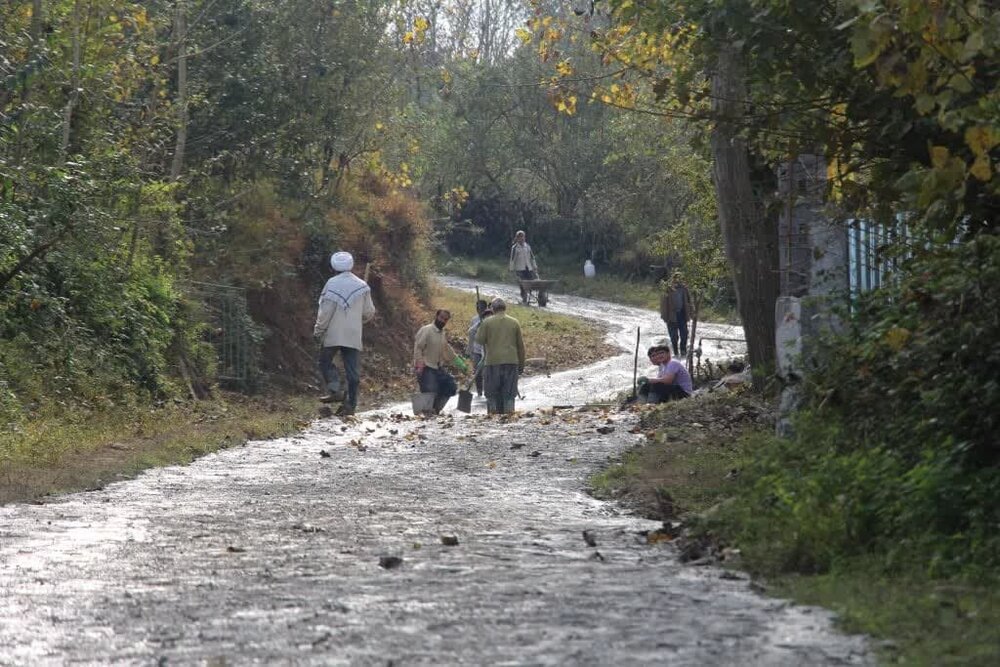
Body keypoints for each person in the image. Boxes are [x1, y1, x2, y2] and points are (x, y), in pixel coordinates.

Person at [313, 251, 376, 417]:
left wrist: (318, 330)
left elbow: (325, 312)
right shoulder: (362, 285)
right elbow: (369, 312)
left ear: (334, 267)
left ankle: (335, 389)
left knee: (325, 361)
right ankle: (351, 405)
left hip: (333, 334)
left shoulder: (331, 284)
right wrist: (357, 320)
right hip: (353, 334)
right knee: (352, 372)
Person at [475, 298, 526, 415]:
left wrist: (482, 325)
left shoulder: (487, 322)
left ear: (492, 309)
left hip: (492, 363)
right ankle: (509, 417)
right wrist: (521, 365)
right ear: (505, 308)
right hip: (511, 363)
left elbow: (479, 339)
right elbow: (521, 347)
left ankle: (493, 417)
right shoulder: (514, 322)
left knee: (492, 395)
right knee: (509, 395)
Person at [413, 309, 469, 414]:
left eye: (445, 319)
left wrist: (460, 363)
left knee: (450, 386)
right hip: (426, 367)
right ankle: (426, 412)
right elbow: (418, 348)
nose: (443, 321)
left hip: (437, 367)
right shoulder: (426, 330)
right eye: (441, 318)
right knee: (430, 390)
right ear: (436, 316)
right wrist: (419, 364)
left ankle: (436, 409)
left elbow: (447, 350)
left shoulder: (442, 333)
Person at [659, 271, 693, 356]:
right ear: (673, 279)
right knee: (674, 337)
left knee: (684, 334)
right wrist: (665, 316)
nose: (678, 281)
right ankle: (675, 351)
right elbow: (663, 304)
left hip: (682, 314)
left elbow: (689, 301)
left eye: (680, 279)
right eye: (676, 279)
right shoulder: (668, 289)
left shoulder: (684, 289)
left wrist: (691, 313)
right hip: (671, 315)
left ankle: (683, 350)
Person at [466, 301, 491, 397]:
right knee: (477, 371)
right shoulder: (474, 320)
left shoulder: (490, 319)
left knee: (487, 372)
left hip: (487, 350)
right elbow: (471, 334)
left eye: (480, 308)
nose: (478, 310)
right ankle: (479, 391)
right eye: (477, 308)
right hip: (476, 349)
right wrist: (469, 350)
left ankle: (488, 391)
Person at [508, 230, 538, 304]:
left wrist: (535, 266)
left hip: (528, 268)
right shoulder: (515, 248)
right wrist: (511, 269)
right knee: (523, 284)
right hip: (520, 269)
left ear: (524, 237)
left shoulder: (527, 246)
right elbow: (512, 259)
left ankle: (529, 295)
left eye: (523, 237)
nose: (522, 239)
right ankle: (524, 297)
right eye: (520, 237)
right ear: (517, 238)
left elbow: (532, 257)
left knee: (531, 282)